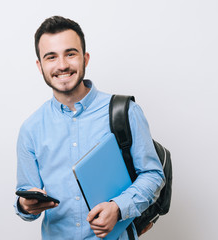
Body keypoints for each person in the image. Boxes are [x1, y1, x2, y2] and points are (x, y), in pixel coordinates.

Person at [14, 16, 165, 240]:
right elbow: (27, 198)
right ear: (40, 65)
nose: (62, 65)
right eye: (51, 57)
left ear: (85, 58)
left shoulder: (125, 112)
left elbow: (153, 175)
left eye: (70, 54)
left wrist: (118, 208)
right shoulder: (30, 129)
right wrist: (25, 205)